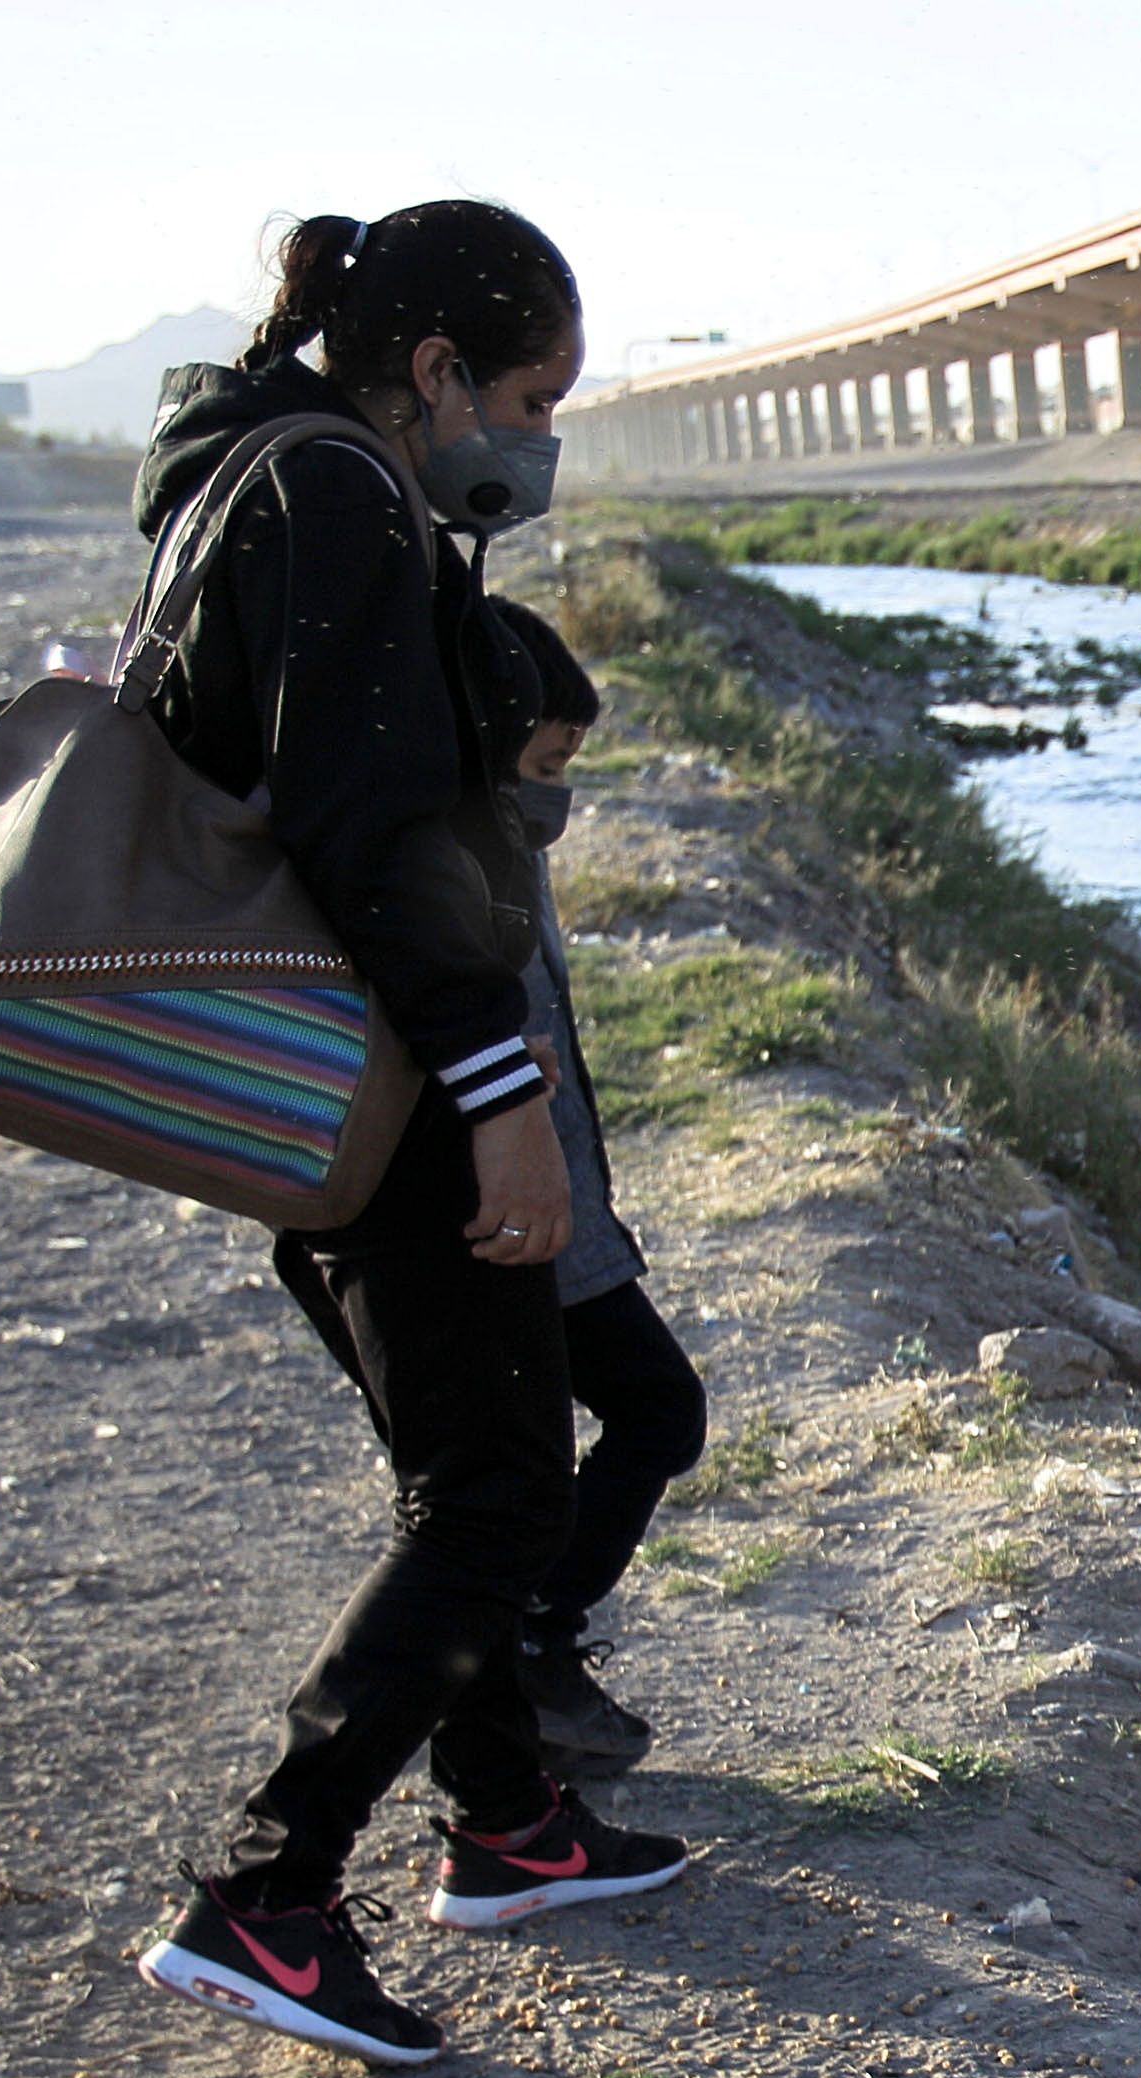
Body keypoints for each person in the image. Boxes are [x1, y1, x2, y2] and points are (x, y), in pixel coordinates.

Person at [128, 203, 687, 2072]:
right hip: (390, 1093)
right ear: (433, 369)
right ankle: (266, 1895)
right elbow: (382, 838)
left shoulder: (248, 475)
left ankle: (512, 1827)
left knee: (479, 1464)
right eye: (532, 396)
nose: (537, 440)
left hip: (334, 1086)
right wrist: (501, 1106)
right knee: (500, 1501)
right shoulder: (342, 501)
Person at [483, 598, 707, 1781]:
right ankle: (528, 1653)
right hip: (518, 1219)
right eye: (549, 764)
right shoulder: (459, 862)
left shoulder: (496, 846)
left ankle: (521, 1665)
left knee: (519, 1469)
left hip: (551, 1210)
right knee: (657, 1410)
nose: (561, 791)